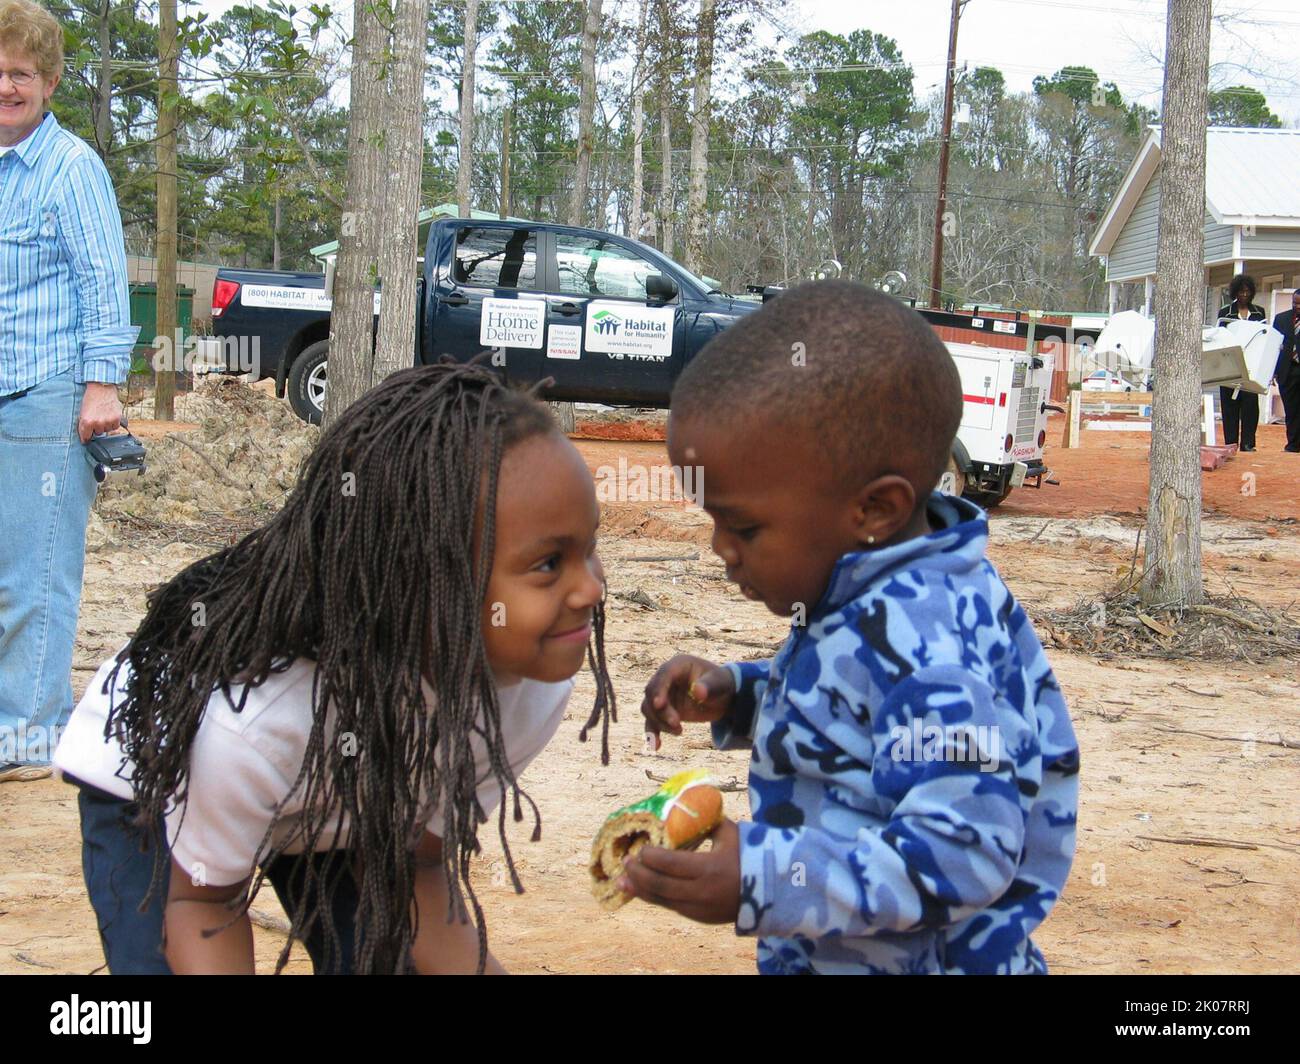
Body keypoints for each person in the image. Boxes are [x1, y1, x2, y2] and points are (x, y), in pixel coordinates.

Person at [54, 364, 616, 974]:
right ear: (418, 580)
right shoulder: (264, 714)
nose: (589, 588)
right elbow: (202, 906)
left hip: (334, 797)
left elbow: (416, 870)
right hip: (155, 781)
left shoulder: (533, 687)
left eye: (588, 547)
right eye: (547, 565)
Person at [630, 280, 1079, 975]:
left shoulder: (928, 641)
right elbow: (857, 709)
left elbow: (962, 853)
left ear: (873, 508)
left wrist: (768, 876)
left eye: (743, 526)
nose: (721, 549)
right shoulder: (877, 590)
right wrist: (741, 693)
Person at [0, 0, 138, 783]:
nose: (7, 86)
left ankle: (26, 738)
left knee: (35, 572)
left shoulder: (71, 169)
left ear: (49, 82)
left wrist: (100, 388)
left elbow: (101, 284)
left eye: (21, 73)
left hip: (46, 397)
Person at [1216, 274, 1267, 452]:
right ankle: (1231, 443)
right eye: (1241, 291)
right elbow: (1219, 337)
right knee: (1229, 406)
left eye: (1247, 292)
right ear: (1235, 293)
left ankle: (1248, 443)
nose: (1244, 295)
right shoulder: (1225, 312)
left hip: (1251, 367)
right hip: (1230, 365)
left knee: (1250, 406)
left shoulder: (1259, 312)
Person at [1270, 289, 1300, 453]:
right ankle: (1293, 444)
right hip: (1287, 371)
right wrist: (1272, 371)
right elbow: (1273, 347)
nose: (1297, 306)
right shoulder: (1281, 319)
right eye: (1294, 303)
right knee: (1291, 409)